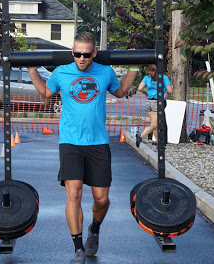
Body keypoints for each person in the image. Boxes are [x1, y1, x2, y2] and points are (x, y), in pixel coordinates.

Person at [27, 32, 138, 264]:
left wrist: (134, 69)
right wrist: (31, 70)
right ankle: (78, 247)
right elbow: (47, 93)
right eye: (77, 53)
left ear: (94, 53)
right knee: (74, 192)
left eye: (86, 54)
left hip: (98, 142)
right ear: (72, 52)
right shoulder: (61, 72)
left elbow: (119, 92)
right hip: (70, 142)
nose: (81, 58)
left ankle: (94, 230)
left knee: (101, 199)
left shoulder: (105, 71)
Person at [135, 64, 173, 147]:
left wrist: (146, 93)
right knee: (154, 125)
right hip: (157, 102)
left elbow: (140, 88)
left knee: (154, 123)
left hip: (149, 102)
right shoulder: (163, 78)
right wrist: (163, 96)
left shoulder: (147, 78)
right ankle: (140, 136)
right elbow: (170, 90)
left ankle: (159, 142)